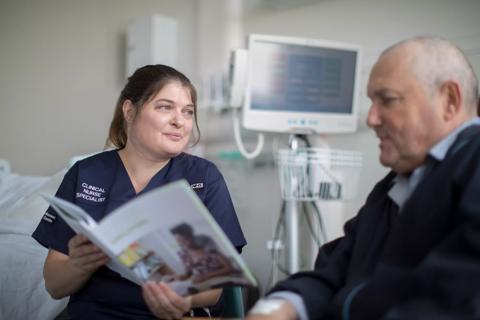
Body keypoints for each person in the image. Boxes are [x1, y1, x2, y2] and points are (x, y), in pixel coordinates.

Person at [247, 36, 480, 319]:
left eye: (388, 100)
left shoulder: (471, 165)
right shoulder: (393, 187)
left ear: (449, 100)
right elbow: (333, 273)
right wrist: (278, 306)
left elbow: (458, 303)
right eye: (372, 101)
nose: (371, 118)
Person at [32, 64, 246, 319]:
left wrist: (179, 298)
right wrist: (80, 263)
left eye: (188, 112)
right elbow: (54, 286)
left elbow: (214, 291)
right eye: (165, 107)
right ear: (130, 110)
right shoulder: (86, 174)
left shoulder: (203, 178)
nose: (179, 121)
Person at [170, 223, 239, 285]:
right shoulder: (183, 254)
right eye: (179, 241)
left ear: (191, 236)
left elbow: (230, 268)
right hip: (207, 283)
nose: (182, 244)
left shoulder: (209, 248)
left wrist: (207, 276)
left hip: (226, 279)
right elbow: (189, 272)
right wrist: (183, 277)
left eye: (185, 239)